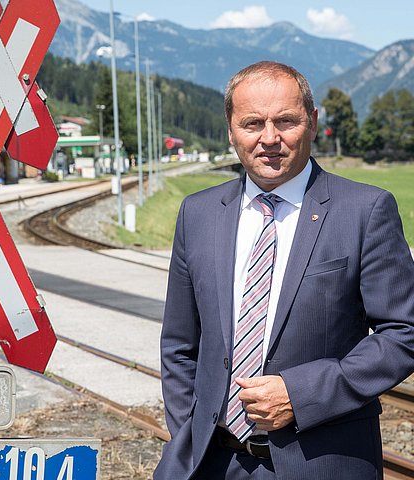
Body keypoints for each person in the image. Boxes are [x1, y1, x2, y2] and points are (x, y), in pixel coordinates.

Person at [154, 61, 414, 480]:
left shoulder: (365, 211)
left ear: (311, 123)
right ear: (231, 129)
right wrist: (189, 432)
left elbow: (404, 333)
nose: (269, 138)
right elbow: (180, 346)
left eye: (286, 121)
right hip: (212, 463)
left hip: (322, 464)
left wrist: (302, 394)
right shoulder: (197, 213)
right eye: (252, 123)